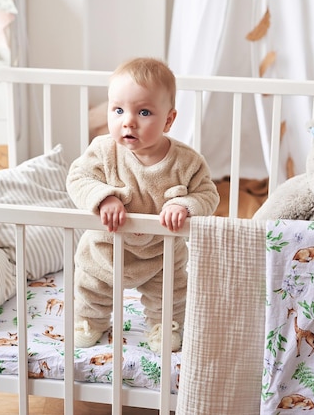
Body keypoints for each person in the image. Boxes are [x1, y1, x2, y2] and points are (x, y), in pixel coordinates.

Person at [66, 57, 219, 352]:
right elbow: (78, 177)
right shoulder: (103, 150)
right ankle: (90, 321)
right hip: (106, 248)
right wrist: (103, 197)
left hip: (159, 254)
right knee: (90, 286)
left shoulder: (186, 161)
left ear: (169, 120)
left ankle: (164, 325)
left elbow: (208, 194)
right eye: (118, 110)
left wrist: (185, 205)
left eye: (144, 111)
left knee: (170, 293)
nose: (128, 121)